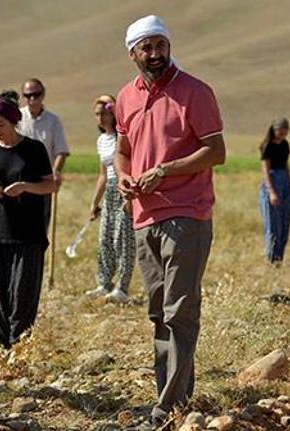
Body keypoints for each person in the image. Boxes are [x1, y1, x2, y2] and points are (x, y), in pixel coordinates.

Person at [114, 15, 226, 427]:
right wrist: (124, 176)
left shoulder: (195, 91)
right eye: (147, 47)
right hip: (144, 216)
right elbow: (122, 149)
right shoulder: (125, 98)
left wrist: (166, 170)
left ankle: (166, 408)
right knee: (160, 311)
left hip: (187, 212)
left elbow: (216, 151)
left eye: (161, 45)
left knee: (180, 308)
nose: (156, 54)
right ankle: (177, 399)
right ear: (133, 53)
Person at [0, 93, 56, 349]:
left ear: (14, 122)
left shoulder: (34, 149)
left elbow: (50, 185)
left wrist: (25, 187)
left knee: (23, 293)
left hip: (28, 232)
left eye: (1, 124)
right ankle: (1, 346)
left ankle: (19, 346)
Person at [0, 78, 70, 227]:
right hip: (13, 181)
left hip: (41, 182)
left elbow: (61, 150)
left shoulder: (53, 120)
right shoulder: (15, 116)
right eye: (28, 95)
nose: (32, 99)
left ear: (43, 94)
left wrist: (55, 172)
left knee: (39, 227)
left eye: (36, 95)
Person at [85, 95, 135, 303]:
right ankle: (103, 283)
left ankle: (122, 288)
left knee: (123, 239)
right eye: (97, 114)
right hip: (109, 192)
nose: (101, 118)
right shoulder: (102, 141)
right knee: (105, 238)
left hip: (125, 188)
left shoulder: (123, 137)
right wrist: (94, 203)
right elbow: (103, 175)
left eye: (105, 112)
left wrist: (130, 197)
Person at [258, 117, 290, 263]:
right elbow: (265, 170)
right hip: (272, 182)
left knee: (285, 223)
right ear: (274, 130)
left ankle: (280, 258)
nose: (282, 134)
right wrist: (271, 192)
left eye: (285, 131)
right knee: (273, 225)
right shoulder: (267, 146)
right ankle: (271, 258)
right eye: (280, 130)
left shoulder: (285, 144)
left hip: (284, 182)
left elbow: (286, 166)